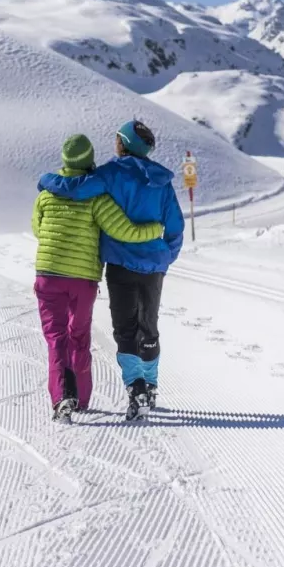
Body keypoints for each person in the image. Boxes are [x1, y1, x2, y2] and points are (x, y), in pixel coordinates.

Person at [38, 120, 184, 420]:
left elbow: (76, 188)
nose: (115, 143)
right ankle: (151, 385)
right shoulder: (162, 181)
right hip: (153, 265)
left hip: (120, 263)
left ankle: (137, 388)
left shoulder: (110, 173)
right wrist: (165, 256)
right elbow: (175, 226)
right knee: (149, 326)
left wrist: (47, 181)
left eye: (118, 138)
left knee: (125, 329)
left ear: (124, 143)